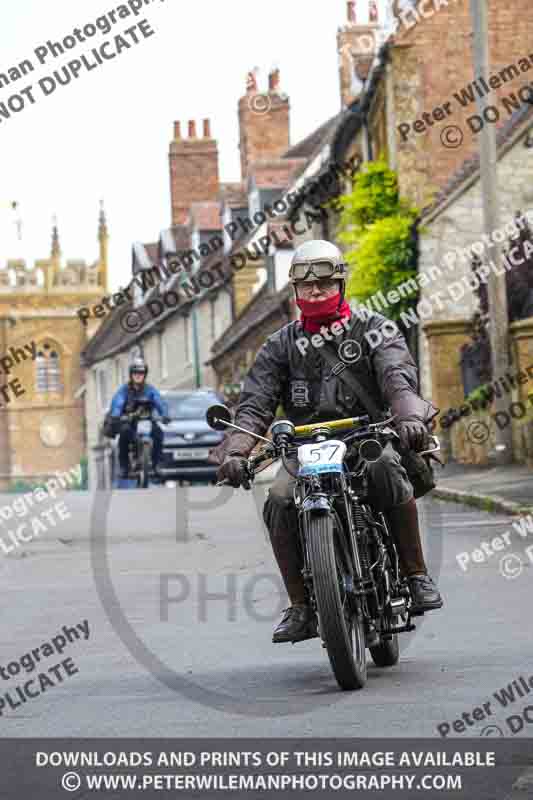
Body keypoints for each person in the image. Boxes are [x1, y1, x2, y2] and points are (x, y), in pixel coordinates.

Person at [211, 240, 443, 644]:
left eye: (324, 284)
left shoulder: (375, 329)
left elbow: (397, 377)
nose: (315, 293)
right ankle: (300, 606)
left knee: (386, 468)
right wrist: (235, 451)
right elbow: (255, 404)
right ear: (296, 292)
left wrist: (408, 416)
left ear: (340, 284)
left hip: (366, 437)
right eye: (307, 287)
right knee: (280, 500)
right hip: (306, 447)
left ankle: (416, 575)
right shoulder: (279, 345)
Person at [110, 358, 170, 479]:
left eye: (141, 373)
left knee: (158, 433)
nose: (138, 376)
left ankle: (157, 464)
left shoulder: (150, 390)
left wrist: (164, 414)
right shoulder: (124, 390)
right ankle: (124, 467)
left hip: (148, 421)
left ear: (145, 375)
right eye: (135, 373)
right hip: (130, 422)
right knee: (124, 434)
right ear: (131, 374)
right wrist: (116, 415)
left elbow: (159, 402)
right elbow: (118, 402)